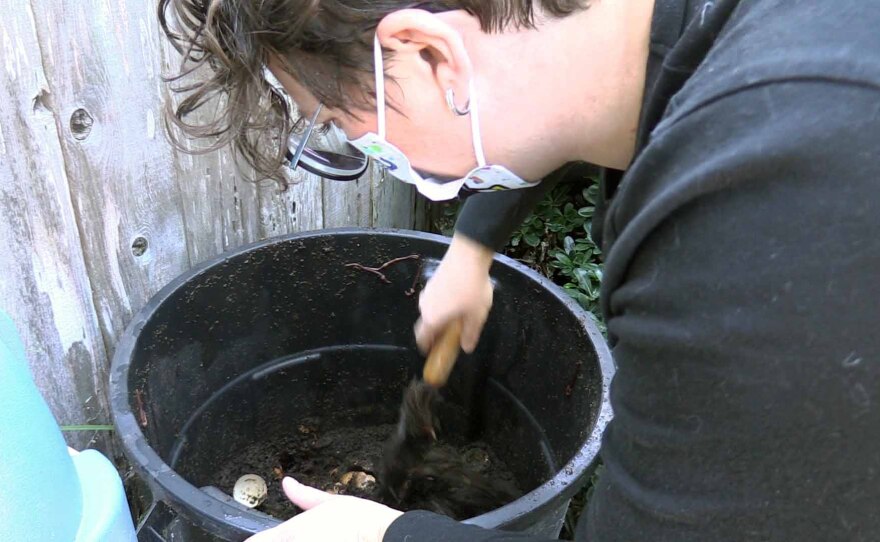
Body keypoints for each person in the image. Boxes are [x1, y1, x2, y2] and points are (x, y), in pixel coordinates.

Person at [159, 0, 880, 540]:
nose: (365, 152)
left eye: (346, 134)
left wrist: (384, 535)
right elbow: (542, 94)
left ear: (432, 55)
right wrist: (472, 249)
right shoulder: (687, 37)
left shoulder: (775, 207)